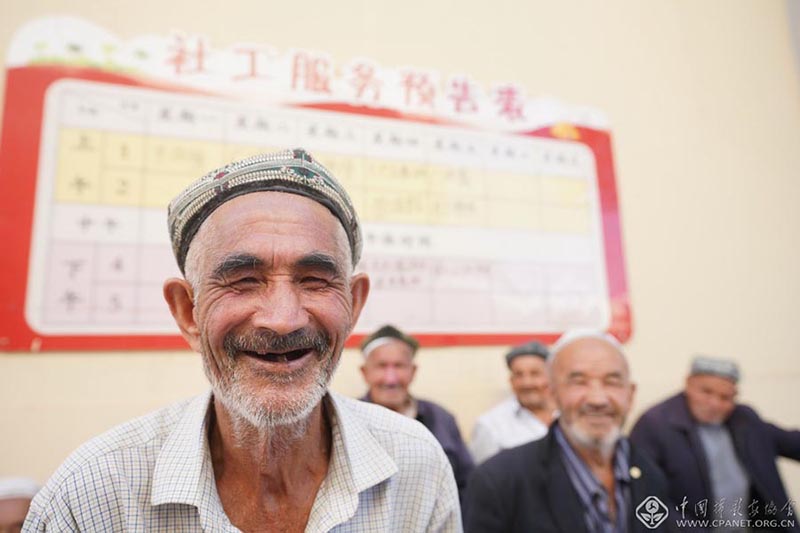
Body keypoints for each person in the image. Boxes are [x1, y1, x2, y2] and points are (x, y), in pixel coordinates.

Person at [24, 148, 461, 532]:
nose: (283, 320)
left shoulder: (416, 465)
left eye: (314, 280)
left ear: (354, 304)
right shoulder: (95, 494)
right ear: (187, 311)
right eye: (243, 280)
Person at [465, 330, 673, 533]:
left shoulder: (650, 470)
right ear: (552, 394)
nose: (597, 399)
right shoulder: (499, 482)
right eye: (578, 382)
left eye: (612, 382)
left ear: (630, 394)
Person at [630, 356, 800, 532]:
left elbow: (791, 443)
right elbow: (642, 493)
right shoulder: (655, 424)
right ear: (688, 384)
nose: (714, 404)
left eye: (725, 397)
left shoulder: (745, 420)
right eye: (706, 392)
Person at [359, 324, 474, 506]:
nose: (391, 379)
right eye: (381, 366)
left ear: (413, 371)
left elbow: (467, 484)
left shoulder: (441, 418)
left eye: (399, 366)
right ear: (365, 372)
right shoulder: (347, 420)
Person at [469, 341, 554, 464]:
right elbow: (483, 473)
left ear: (551, 377)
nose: (527, 383)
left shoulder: (569, 416)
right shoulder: (490, 425)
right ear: (511, 381)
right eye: (518, 375)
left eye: (535, 374)